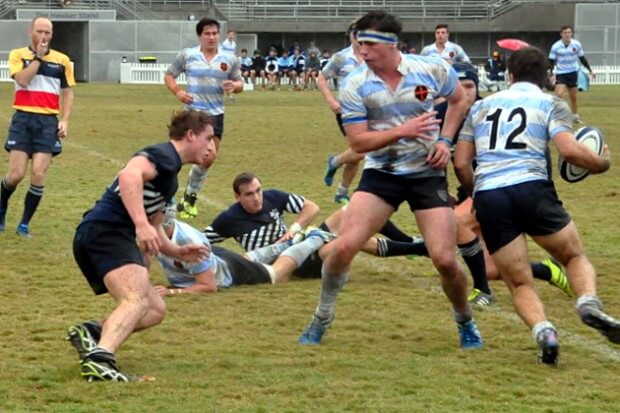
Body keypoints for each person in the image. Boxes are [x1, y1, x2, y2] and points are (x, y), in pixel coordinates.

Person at [297, 10, 483, 350]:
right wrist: (405, 130)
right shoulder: (355, 84)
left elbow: (460, 99)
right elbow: (358, 143)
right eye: (359, 43)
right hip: (381, 174)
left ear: (391, 44)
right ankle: (322, 316)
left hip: (426, 173)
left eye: (368, 43)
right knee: (342, 248)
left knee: (444, 259)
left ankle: (465, 320)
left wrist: (444, 140)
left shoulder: (430, 69)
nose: (362, 51)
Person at [454, 46, 620, 365]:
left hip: (490, 194)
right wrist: (602, 163)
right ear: (546, 77)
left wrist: (479, 194)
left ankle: (544, 332)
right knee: (572, 256)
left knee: (518, 281)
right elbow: (569, 152)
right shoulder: (551, 102)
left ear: (509, 75)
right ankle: (587, 302)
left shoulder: (480, 108)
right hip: (532, 189)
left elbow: (461, 164)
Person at [67, 110, 214, 381]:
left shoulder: (171, 175)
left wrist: (177, 251)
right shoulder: (164, 155)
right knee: (135, 299)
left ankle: (93, 333)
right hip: (105, 231)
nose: (211, 146)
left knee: (155, 309)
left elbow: (155, 225)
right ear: (191, 135)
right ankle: (101, 361)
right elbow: (128, 176)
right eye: (208, 138)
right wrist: (139, 224)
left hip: (104, 234)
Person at [439, 63, 572, 307]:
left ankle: (482, 291)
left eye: (470, 86)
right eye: (459, 87)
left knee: (456, 223)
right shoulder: (444, 115)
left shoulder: (489, 110)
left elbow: (536, 154)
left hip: (498, 190)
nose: (465, 92)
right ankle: (547, 271)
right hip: (475, 192)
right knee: (491, 269)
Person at [204, 172, 429, 278]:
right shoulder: (229, 219)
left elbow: (311, 207)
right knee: (349, 241)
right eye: (249, 194)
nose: (256, 198)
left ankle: (408, 242)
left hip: (304, 239)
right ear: (237, 197)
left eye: (258, 191)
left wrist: (293, 229)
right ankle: (418, 249)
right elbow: (202, 242)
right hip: (294, 261)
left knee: (355, 210)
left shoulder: (273, 197)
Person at [0, 16, 74, 237]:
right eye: (39, 31)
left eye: (47, 33)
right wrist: (38, 59)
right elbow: (23, 80)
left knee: (38, 174)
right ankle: (2, 209)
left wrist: (65, 119)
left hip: (47, 122)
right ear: (30, 31)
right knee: (15, 175)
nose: (43, 36)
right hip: (23, 119)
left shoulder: (63, 60)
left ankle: (24, 224)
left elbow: (68, 92)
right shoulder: (17, 55)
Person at [164, 17, 243, 219]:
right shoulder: (188, 55)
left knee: (208, 158)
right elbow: (169, 75)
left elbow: (240, 82)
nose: (211, 37)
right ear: (200, 36)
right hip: (192, 114)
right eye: (207, 33)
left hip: (216, 115)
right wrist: (178, 92)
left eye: (215, 33)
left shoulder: (229, 59)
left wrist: (235, 86)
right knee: (178, 156)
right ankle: (166, 195)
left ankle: (190, 196)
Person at [155, 207, 333, 294]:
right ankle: (292, 241)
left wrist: (173, 292)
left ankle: (314, 238)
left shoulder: (186, 240)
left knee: (275, 273)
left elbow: (209, 286)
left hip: (231, 272)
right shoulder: (154, 233)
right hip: (220, 260)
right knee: (246, 259)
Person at [319, 20, 366, 204]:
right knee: (360, 150)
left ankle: (341, 190)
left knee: (357, 152)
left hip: (369, 110)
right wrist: (331, 100)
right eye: (356, 32)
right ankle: (335, 166)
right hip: (347, 111)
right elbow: (321, 78)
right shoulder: (340, 57)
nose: (359, 36)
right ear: (351, 34)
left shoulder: (371, 55)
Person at [548, 25, 595, 124]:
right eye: (565, 33)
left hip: (573, 72)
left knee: (573, 97)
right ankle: (555, 116)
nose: (567, 35)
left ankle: (575, 117)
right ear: (561, 34)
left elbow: (582, 59)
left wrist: (590, 70)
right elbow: (551, 62)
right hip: (561, 73)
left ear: (571, 34)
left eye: (569, 32)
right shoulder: (556, 46)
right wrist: (551, 74)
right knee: (559, 95)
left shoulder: (576, 44)